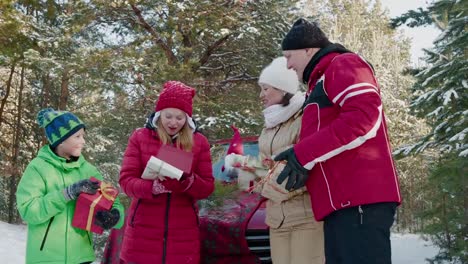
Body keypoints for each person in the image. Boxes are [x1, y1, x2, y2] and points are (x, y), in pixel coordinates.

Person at [273, 18, 402, 263]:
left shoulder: (344, 64)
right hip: (341, 206)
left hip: (360, 202)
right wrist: (300, 162)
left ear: (308, 49)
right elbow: (326, 140)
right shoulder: (319, 82)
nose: (288, 65)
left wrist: (303, 154)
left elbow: (364, 118)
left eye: (289, 56)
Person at [225, 57, 324, 264]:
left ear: (283, 88)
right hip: (276, 219)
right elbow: (265, 169)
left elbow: (295, 176)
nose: (261, 95)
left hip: (305, 218)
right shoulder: (269, 126)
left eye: (265, 89)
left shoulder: (306, 117)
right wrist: (243, 166)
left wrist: (253, 175)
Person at [119, 81, 215, 264]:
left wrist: (189, 181)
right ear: (159, 114)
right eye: (168, 116)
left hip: (183, 234)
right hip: (143, 232)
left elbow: (207, 187)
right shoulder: (140, 137)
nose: (173, 122)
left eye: (179, 118)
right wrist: (151, 187)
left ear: (187, 118)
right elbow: (126, 181)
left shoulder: (199, 142)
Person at [16, 108, 125, 264]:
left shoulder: (88, 170)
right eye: (77, 136)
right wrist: (67, 193)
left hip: (82, 257)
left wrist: (115, 216)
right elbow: (28, 211)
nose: (83, 141)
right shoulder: (37, 168)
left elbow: (113, 201)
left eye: (83, 136)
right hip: (47, 259)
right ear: (60, 140)